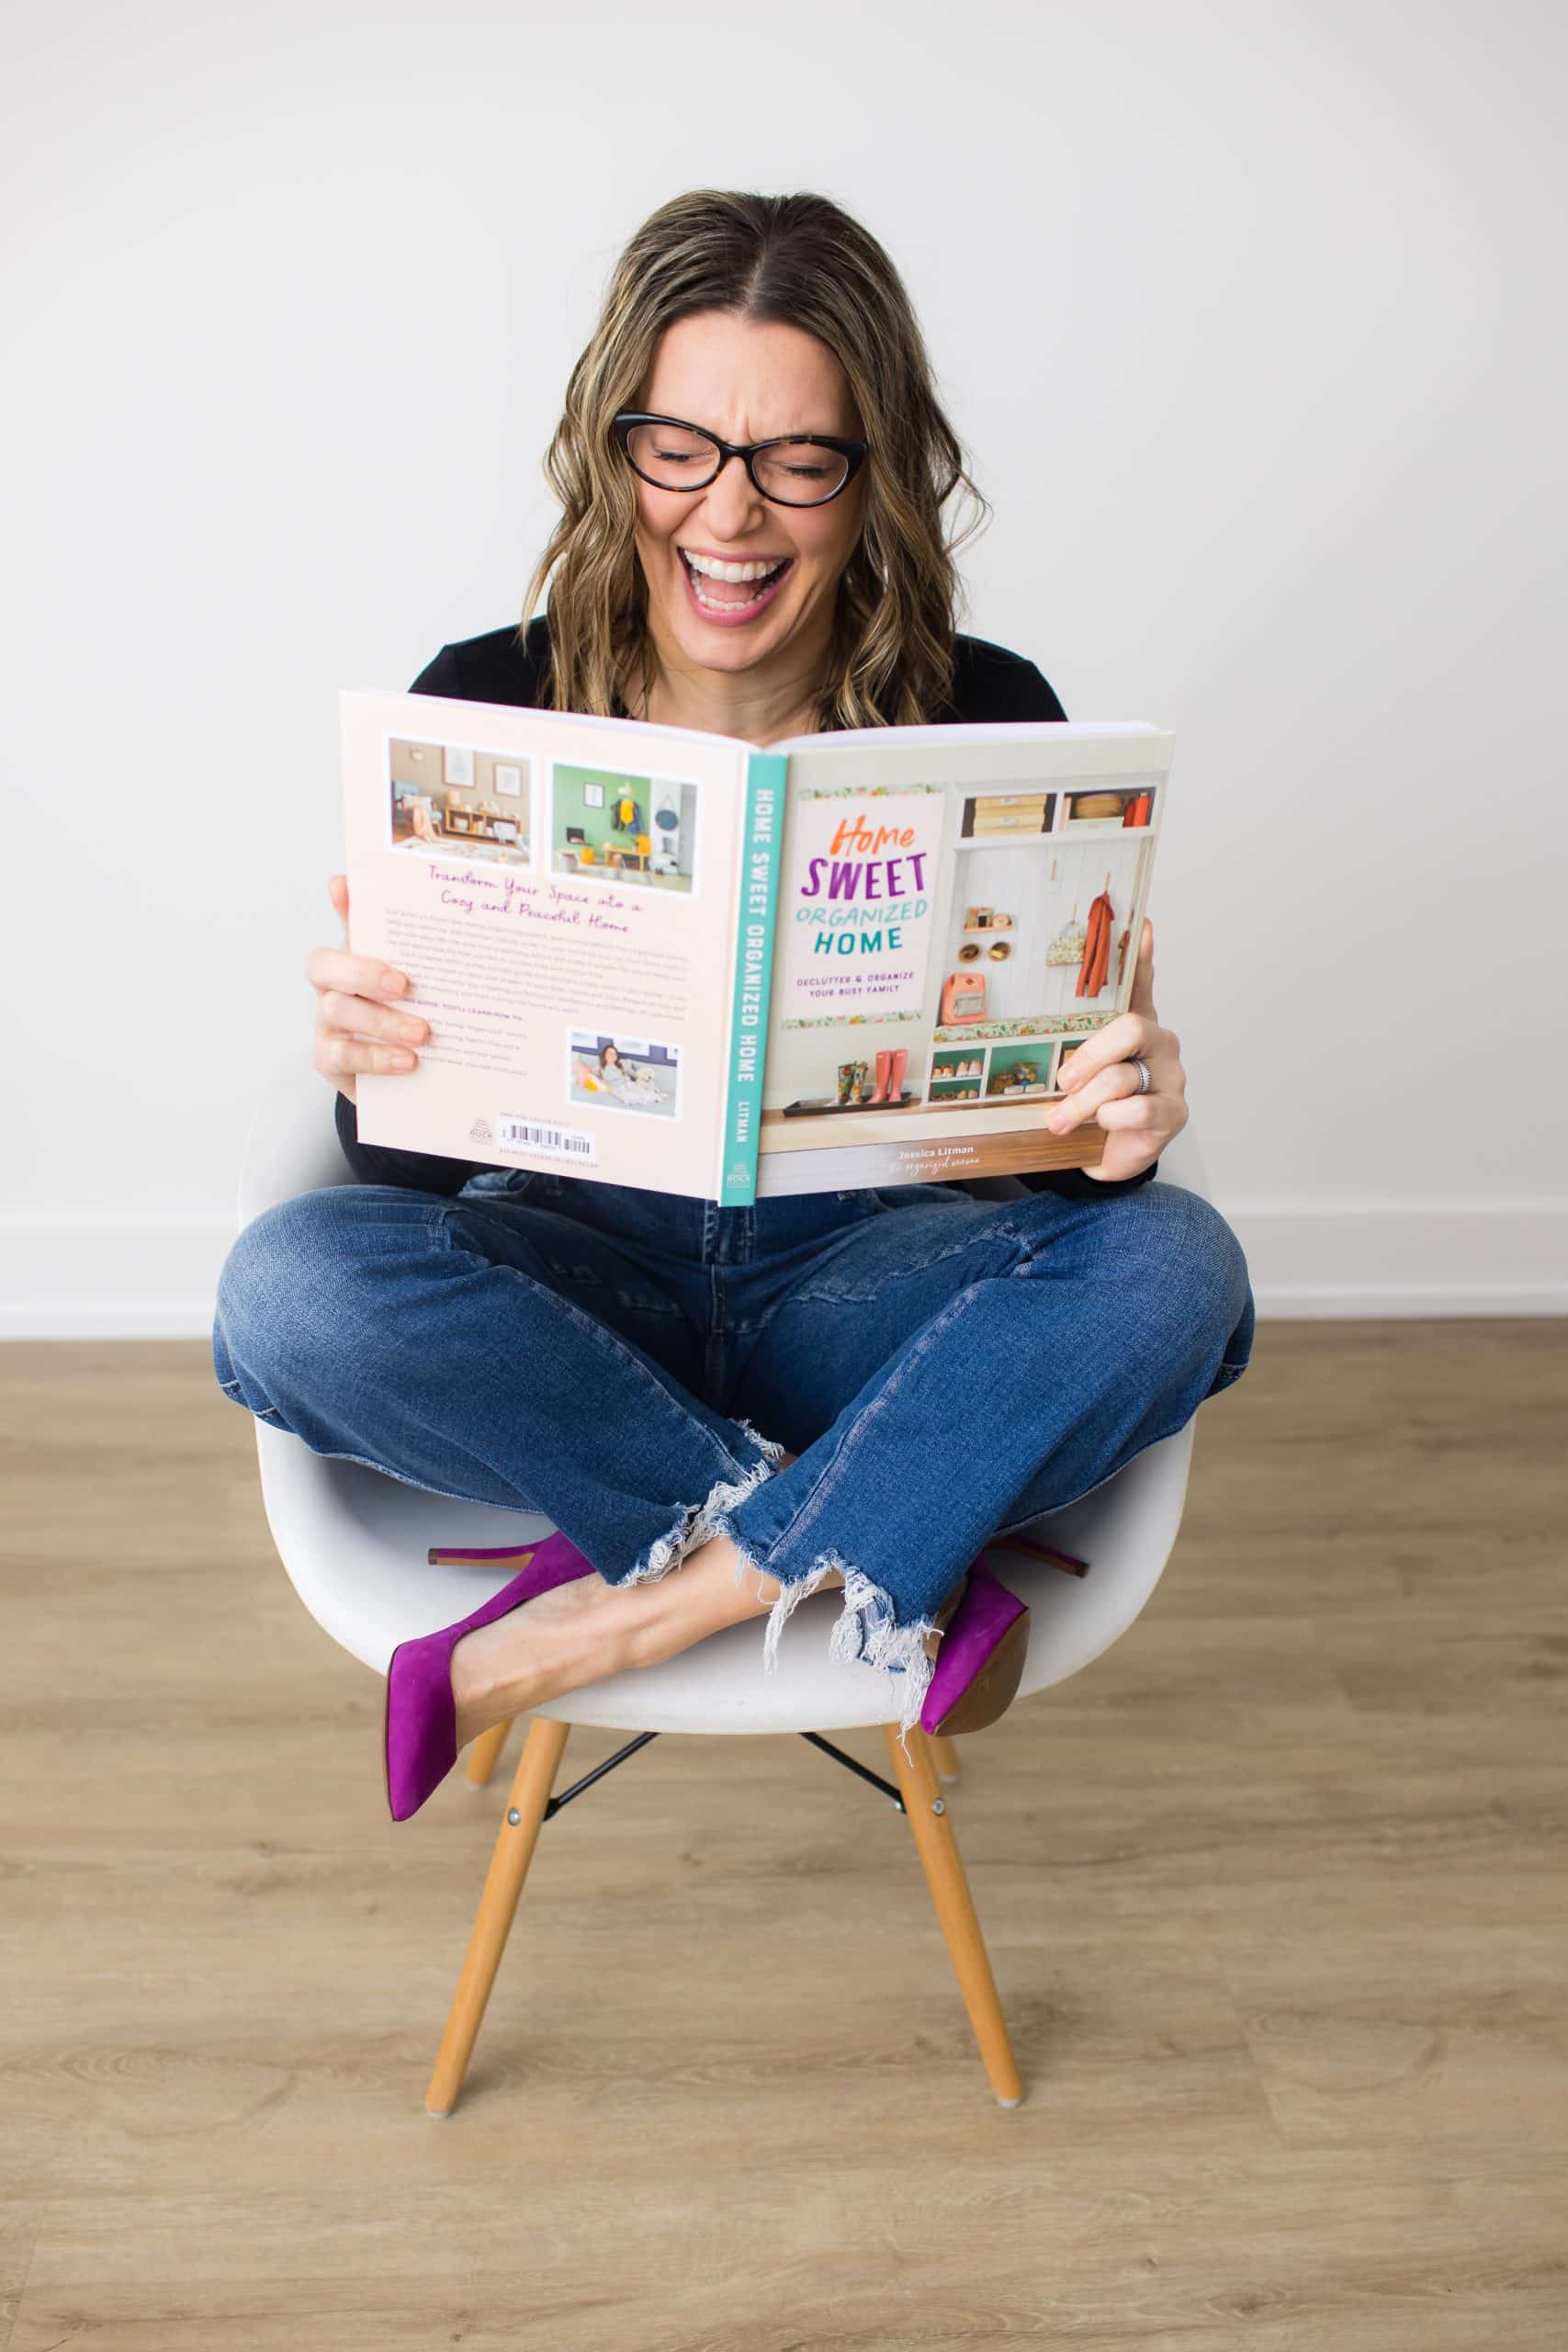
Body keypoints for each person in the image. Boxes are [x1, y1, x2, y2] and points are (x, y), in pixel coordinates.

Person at [212, 188, 1253, 1819]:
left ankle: (621, 1605)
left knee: (1177, 1267)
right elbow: (410, 1178)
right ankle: (876, 1539)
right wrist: (375, 1066)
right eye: (681, 447)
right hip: (586, 1293)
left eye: (798, 460)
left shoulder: (991, 714)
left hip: (865, 1292)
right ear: (614, 448)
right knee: (291, 1292)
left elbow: (1053, 1183)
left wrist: (1116, 1127)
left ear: (874, 474)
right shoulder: (485, 698)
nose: (731, 512)